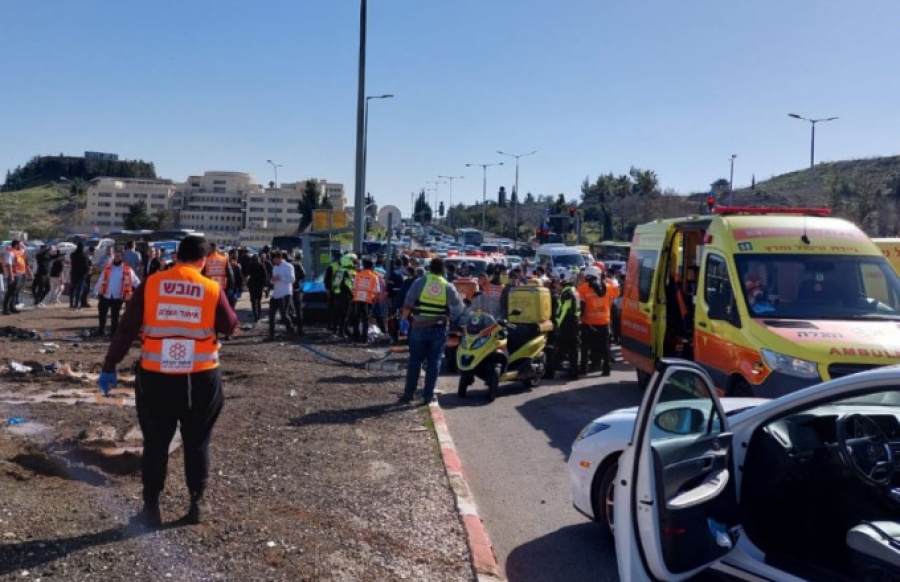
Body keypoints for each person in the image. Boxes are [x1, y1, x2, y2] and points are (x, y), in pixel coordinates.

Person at [97, 235, 238, 527]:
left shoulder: (152, 284)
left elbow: (126, 328)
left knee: (156, 442)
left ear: (176, 257)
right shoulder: (211, 287)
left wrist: (110, 365)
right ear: (203, 261)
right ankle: (197, 504)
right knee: (197, 441)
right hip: (200, 377)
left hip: (156, 377)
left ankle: (151, 508)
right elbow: (229, 324)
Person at [398, 257, 464, 405]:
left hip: (418, 327)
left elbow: (408, 303)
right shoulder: (448, 286)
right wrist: (451, 318)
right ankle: (427, 396)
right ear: (443, 270)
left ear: (429, 268)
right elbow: (458, 307)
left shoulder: (419, 282)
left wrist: (403, 320)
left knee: (415, 361)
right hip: (439, 330)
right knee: (434, 362)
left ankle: (408, 394)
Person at [93, 248, 141, 337]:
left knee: (115, 316)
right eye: (116, 255)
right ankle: (101, 330)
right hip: (105, 295)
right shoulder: (108, 267)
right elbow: (101, 279)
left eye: (119, 256)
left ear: (122, 257)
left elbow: (136, 281)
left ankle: (113, 333)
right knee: (102, 314)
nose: (117, 257)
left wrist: (141, 290)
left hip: (118, 296)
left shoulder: (127, 269)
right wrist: (95, 290)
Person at [578, 265, 617, 376]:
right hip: (604, 320)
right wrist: (606, 279)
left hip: (588, 322)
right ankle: (606, 369)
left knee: (585, 347)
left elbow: (581, 306)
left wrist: (579, 319)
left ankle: (583, 368)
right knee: (605, 347)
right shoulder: (608, 286)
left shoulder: (582, 288)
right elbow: (616, 292)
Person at [553, 269, 582, 380]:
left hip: (567, 323)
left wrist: (557, 323)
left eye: (559, 281)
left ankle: (571, 371)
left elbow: (563, 311)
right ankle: (573, 371)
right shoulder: (574, 290)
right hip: (574, 322)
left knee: (567, 348)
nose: (557, 283)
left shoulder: (566, 293)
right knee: (573, 349)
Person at [350, 257, 382, 342]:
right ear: (372, 267)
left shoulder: (358, 275)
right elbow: (377, 291)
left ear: (364, 266)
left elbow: (354, 287)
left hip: (357, 298)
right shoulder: (374, 277)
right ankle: (364, 338)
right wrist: (375, 299)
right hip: (368, 300)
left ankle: (355, 336)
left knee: (357, 317)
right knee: (365, 319)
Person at [267, 251, 295, 340]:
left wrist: (281, 278)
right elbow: (272, 281)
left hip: (285, 293)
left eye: (275, 259)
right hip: (276, 293)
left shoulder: (288, 266)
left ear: (280, 258)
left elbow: (292, 279)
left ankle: (291, 331)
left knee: (284, 314)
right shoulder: (274, 267)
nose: (274, 261)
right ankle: (271, 334)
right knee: (271, 314)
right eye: (273, 259)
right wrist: (272, 280)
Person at [3, 240, 32, 315]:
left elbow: (24, 248)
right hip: (14, 275)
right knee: (10, 292)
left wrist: (21, 243)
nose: (21, 246)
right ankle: (5, 309)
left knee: (16, 292)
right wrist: (11, 276)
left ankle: (12, 307)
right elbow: (9, 265)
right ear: (16, 245)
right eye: (20, 244)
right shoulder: (10, 252)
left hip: (21, 274)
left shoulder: (19, 251)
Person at [332, 254, 356, 338]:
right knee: (345, 314)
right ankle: (342, 332)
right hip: (346, 296)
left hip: (338, 295)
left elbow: (335, 284)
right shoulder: (349, 272)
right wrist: (353, 295)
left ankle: (336, 330)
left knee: (338, 313)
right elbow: (349, 285)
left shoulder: (339, 271)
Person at [323, 250, 342, 333]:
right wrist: (328, 290)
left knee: (338, 310)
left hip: (341, 292)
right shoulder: (332, 266)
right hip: (333, 291)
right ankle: (330, 326)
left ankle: (336, 326)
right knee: (331, 309)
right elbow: (327, 279)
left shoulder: (344, 267)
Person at [246, 254, 268, 323]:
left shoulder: (251, 265)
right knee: (258, 300)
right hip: (260, 285)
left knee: (253, 300)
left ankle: (255, 314)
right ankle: (259, 314)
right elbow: (265, 275)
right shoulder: (262, 265)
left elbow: (248, 274)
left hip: (252, 285)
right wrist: (264, 285)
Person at [69, 242, 89, 310]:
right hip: (81, 275)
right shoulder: (84, 256)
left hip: (73, 274)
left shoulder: (72, 255)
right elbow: (86, 266)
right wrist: (87, 272)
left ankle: (71, 303)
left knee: (72, 289)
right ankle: (76, 304)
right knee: (79, 290)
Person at [289, 252, 305, 335]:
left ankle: (291, 328)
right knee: (298, 309)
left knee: (289, 309)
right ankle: (300, 329)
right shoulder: (298, 265)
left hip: (289, 289)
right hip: (297, 288)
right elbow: (303, 275)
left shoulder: (288, 265)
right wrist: (298, 280)